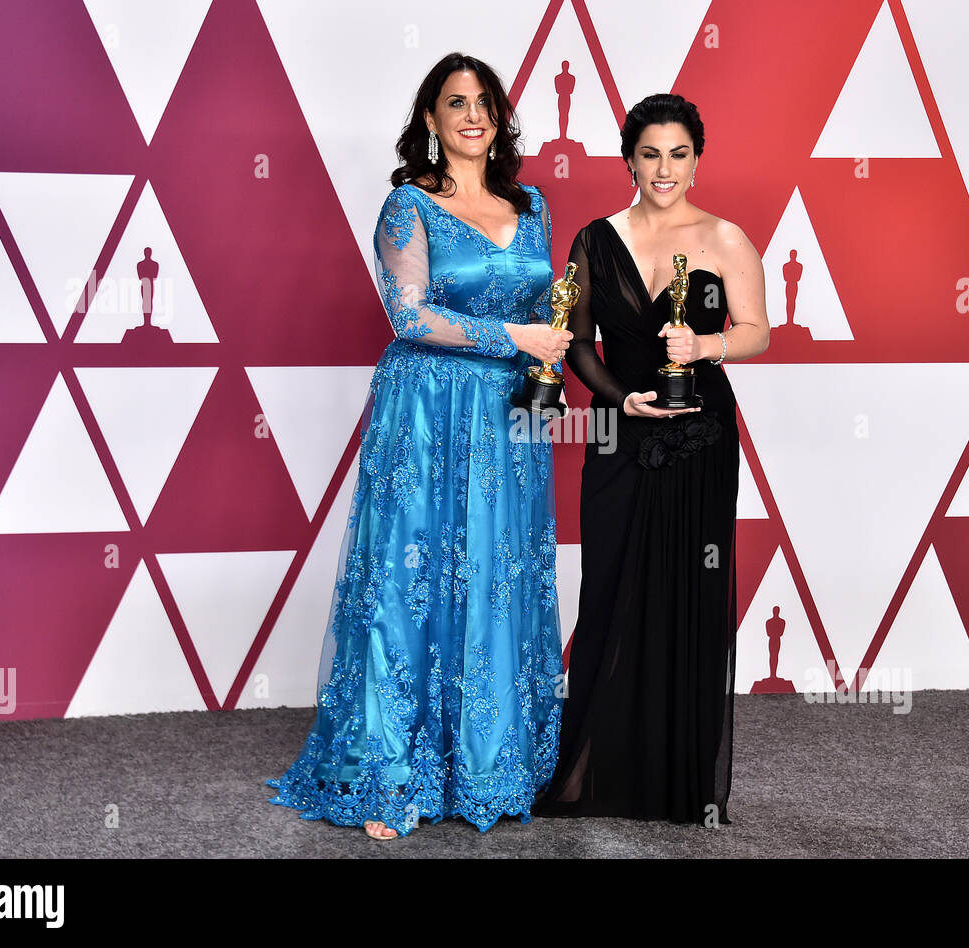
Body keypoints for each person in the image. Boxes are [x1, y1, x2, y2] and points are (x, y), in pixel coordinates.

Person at [267, 53, 571, 840]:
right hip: (429, 411)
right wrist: (515, 335)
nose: (472, 115)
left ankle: (491, 760)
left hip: (507, 419)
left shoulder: (530, 204)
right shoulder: (408, 206)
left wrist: (549, 355)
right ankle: (388, 768)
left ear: (500, 117)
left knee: (498, 573)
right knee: (413, 573)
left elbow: (548, 305)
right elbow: (409, 317)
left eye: (484, 102)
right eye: (454, 103)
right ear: (431, 121)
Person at [535, 93, 769, 825]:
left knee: (686, 596)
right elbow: (574, 343)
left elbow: (758, 330)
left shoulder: (726, 239)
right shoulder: (593, 240)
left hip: (701, 437)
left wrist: (705, 346)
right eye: (649, 153)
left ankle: (676, 784)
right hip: (617, 430)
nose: (663, 169)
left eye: (678, 154)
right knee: (607, 590)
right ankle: (589, 776)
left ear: (697, 159)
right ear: (628, 157)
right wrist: (620, 401)